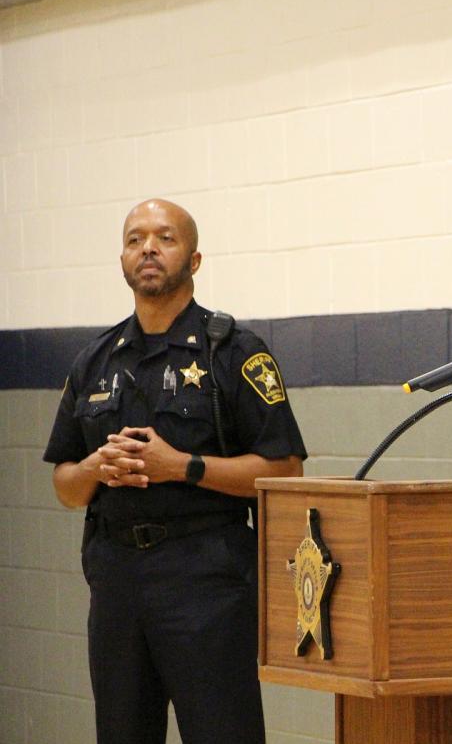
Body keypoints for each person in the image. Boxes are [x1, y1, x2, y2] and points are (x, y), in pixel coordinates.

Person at [43, 199, 308, 744]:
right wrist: (95, 465)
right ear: (122, 259)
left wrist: (183, 467)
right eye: (135, 238)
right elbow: (66, 486)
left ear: (194, 258)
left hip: (205, 582)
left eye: (165, 238)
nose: (148, 248)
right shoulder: (94, 360)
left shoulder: (232, 352)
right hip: (116, 582)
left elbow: (285, 469)